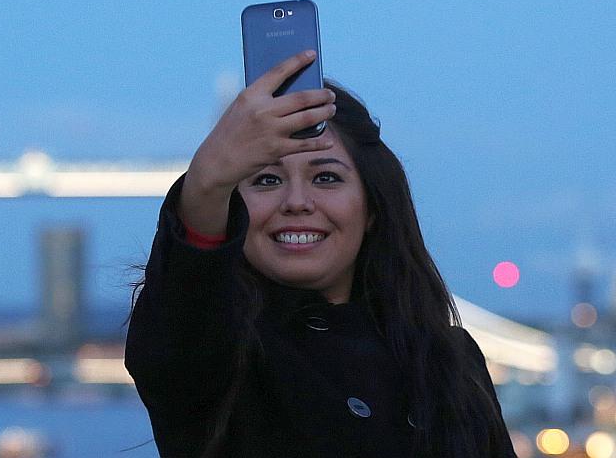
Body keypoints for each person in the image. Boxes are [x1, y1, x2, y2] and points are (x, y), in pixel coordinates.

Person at [124, 50, 518, 458]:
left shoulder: (452, 361)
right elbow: (185, 311)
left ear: (372, 208)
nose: (297, 202)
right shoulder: (220, 356)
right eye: (266, 179)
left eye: (326, 177)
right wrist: (207, 182)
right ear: (233, 210)